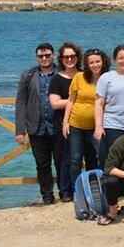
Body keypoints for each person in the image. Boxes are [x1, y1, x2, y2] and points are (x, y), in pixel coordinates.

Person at [15, 42, 61, 204]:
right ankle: (47, 196)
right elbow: (21, 103)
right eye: (41, 56)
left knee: (62, 162)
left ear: (53, 56)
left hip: (59, 126)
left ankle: (65, 193)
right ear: (37, 58)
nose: (44, 58)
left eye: (47, 55)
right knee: (42, 165)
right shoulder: (28, 76)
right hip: (36, 127)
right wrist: (20, 130)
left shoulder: (61, 73)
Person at [63, 48, 108, 187]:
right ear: (87, 64)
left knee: (102, 156)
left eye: (97, 61)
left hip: (97, 126)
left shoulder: (107, 78)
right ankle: (78, 189)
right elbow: (71, 100)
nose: (95, 65)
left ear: (103, 62)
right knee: (75, 159)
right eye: (91, 62)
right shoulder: (79, 77)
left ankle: (101, 186)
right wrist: (65, 122)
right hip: (76, 125)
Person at [47, 42, 81, 202]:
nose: (69, 59)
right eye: (66, 57)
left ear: (77, 57)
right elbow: (54, 103)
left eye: (72, 56)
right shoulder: (57, 79)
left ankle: (86, 187)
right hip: (63, 123)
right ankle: (66, 191)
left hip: (86, 123)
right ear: (61, 59)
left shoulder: (83, 75)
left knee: (87, 157)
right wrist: (76, 101)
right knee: (66, 158)